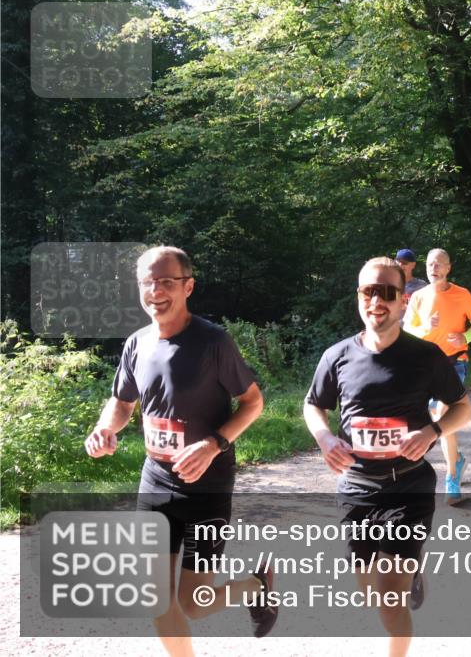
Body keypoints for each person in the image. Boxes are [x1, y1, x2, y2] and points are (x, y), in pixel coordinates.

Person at [84, 246, 275, 657]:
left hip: (207, 484)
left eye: (166, 282)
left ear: (188, 286)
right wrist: (104, 428)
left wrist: (213, 443)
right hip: (156, 479)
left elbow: (253, 403)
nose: (156, 290)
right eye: (147, 282)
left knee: (193, 604)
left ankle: (258, 586)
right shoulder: (136, 343)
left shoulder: (213, 342)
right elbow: (121, 402)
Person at [304, 257, 471, 657]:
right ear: (358, 298)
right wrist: (325, 438)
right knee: (368, 592)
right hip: (357, 488)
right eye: (368, 291)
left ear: (402, 303)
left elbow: (462, 407)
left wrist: (432, 431)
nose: (376, 300)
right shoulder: (338, 356)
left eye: (387, 292)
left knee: (387, 599)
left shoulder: (426, 356)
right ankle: (410, 574)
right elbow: (313, 405)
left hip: (409, 485)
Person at [403, 248, 471, 504]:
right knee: (422, 419)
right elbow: (407, 329)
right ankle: (457, 461)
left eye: (439, 264)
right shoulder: (418, 296)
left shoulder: (462, 294)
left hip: (454, 361)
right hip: (424, 364)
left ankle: (451, 478)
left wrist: (466, 337)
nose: (433, 268)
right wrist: (426, 328)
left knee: (441, 416)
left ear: (449, 268)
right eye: (429, 264)